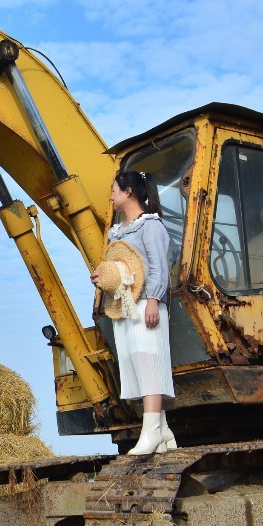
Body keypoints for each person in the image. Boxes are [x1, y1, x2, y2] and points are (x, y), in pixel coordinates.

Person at [91, 170, 177, 455]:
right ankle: (162, 430)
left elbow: (159, 265)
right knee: (134, 363)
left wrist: (153, 298)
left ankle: (151, 431)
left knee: (149, 360)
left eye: (114, 189)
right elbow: (120, 265)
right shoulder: (118, 231)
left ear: (128, 192)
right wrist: (105, 277)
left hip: (145, 304)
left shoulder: (151, 226)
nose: (111, 195)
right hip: (124, 306)